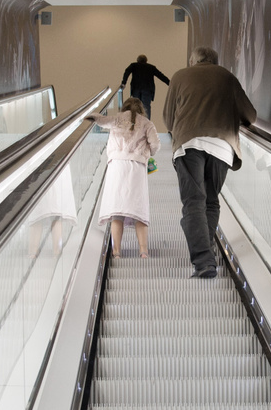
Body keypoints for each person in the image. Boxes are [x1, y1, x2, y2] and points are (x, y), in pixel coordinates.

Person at [159, 46, 256, 278]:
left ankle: (204, 261)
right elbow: (250, 115)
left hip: (189, 144)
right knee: (211, 202)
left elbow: (168, 120)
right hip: (222, 147)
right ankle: (207, 255)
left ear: (193, 61)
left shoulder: (180, 76)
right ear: (215, 61)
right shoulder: (227, 77)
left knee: (193, 201)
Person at [86, 96, 160, 257]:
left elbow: (100, 120)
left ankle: (117, 252)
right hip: (137, 168)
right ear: (141, 110)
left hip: (117, 168)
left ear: (124, 108)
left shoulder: (117, 119)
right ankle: (143, 251)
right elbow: (155, 144)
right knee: (139, 211)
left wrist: (88, 114)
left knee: (117, 211)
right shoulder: (147, 123)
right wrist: (148, 153)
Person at [120, 54, 172, 120]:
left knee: (135, 106)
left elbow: (126, 72)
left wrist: (124, 83)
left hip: (136, 89)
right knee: (146, 107)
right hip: (147, 90)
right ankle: (146, 123)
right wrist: (170, 84)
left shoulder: (133, 65)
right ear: (146, 60)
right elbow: (161, 76)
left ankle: (135, 122)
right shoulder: (151, 67)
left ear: (137, 60)